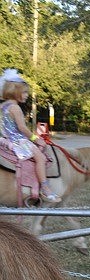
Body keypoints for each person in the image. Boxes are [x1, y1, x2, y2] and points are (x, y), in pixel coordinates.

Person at [0, 69, 60, 203]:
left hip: (5, 140)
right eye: (25, 92)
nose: (27, 95)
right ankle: (45, 188)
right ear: (16, 91)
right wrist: (36, 139)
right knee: (41, 158)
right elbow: (22, 128)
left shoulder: (3, 106)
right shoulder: (15, 108)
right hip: (18, 141)